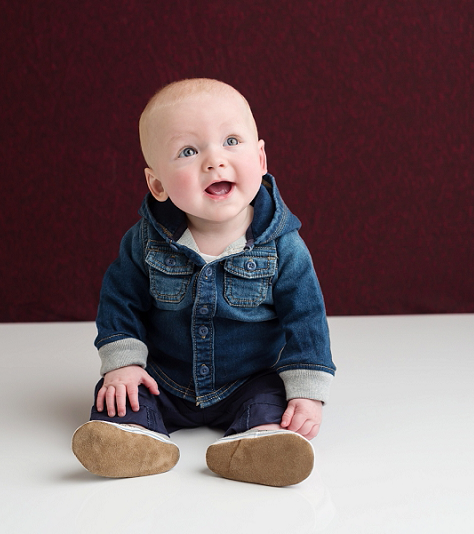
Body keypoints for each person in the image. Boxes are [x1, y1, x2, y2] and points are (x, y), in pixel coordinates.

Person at [72, 78, 335, 487]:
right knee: (120, 396)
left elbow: (307, 318)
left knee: (272, 402)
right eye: (189, 151)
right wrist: (122, 365)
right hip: (164, 379)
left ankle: (260, 442)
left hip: (248, 379)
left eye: (232, 141)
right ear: (157, 184)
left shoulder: (283, 246)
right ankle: (132, 439)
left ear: (262, 158)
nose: (215, 161)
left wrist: (308, 389)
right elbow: (120, 300)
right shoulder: (145, 241)